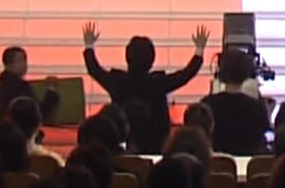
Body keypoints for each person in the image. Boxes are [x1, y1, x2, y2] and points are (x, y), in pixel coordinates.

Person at [81, 22, 209, 153]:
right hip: (156, 148)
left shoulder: (118, 82)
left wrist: (89, 46)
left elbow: (95, 70)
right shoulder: (158, 83)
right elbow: (185, 75)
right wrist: (199, 51)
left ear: (127, 57)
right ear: (152, 60)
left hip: (123, 148)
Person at [200, 48, 272, 156]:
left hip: (217, 162)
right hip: (249, 162)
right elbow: (266, 128)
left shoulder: (207, 104)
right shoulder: (257, 107)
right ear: (246, 73)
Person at [0, 46, 60, 122]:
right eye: (19, 61)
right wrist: (51, 90)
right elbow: (38, 113)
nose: (24, 64)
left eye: (25, 60)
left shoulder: (2, 83)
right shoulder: (19, 86)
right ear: (8, 65)